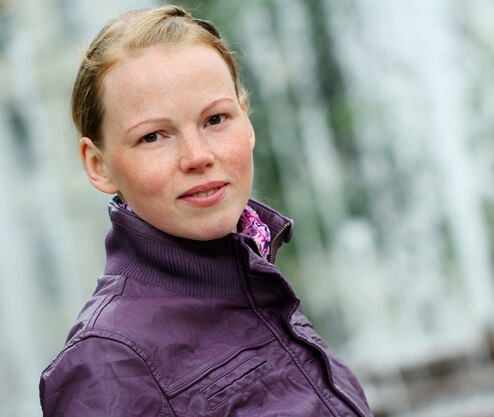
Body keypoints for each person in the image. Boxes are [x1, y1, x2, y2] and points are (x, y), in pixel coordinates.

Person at [39, 5, 372, 417]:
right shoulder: (106, 361)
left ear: (246, 122)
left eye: (215, 119)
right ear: (98, 164)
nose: (197, 156)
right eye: (153, 136)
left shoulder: (254, 278)